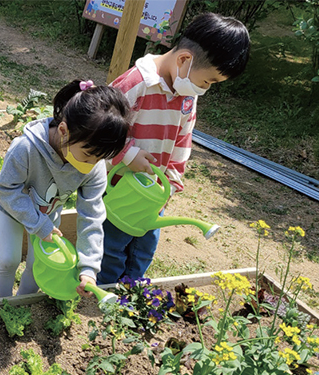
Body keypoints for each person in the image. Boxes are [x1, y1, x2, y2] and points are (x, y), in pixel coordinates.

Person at [98, 13, 250, 285]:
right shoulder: (136, 84)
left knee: (144, 248)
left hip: (153, 195)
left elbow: (183, 139)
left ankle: (133, 289)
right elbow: (99, 128)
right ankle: (103, 291)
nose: (205, 89)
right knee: (112, 247)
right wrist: (128, 155)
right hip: (121, 192)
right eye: (208, 81)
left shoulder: (187, 97)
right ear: (184, 60)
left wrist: (173, 177)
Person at [0, 80, 131, 298]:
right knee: (8, 259)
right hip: (10, 208)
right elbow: (6, 189)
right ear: (64, 130)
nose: (93, 164)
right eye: (88, 155)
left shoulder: (93, 168)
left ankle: (21, 304)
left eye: (100, 158)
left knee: (39, 264)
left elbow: (92, 217)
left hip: (47, 215)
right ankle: (0, 303)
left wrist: (89, 268)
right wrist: (38, 224)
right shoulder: (26, 148)